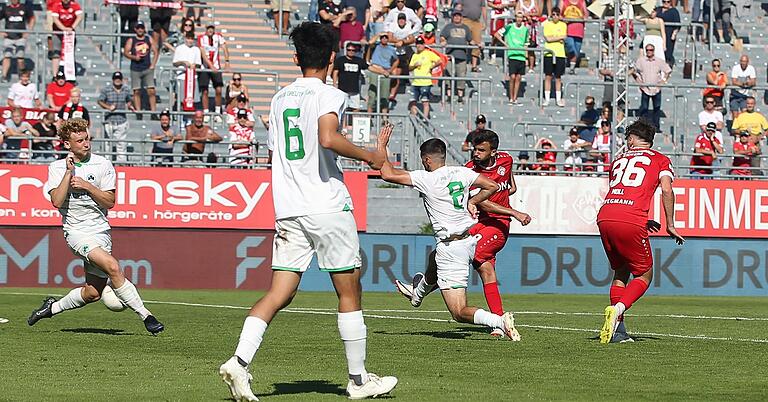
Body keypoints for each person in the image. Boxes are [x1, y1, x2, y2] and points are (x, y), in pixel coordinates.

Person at [218, 22, 396, 402]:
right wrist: (372, 156)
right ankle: (359, 380)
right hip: (326, 205)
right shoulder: (330, 93)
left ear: (296, 58)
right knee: (349, 289)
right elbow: (327, 138)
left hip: (288, 208)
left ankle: (239, 361)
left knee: (279, 291)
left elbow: (274, 153)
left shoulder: (279, 98)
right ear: (332, 58)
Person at [27, 118, 165, 335]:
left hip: (100, 231)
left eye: (87, 139)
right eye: (80, 140)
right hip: (76, 232)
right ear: (67, 144)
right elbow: (56, 201)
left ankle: (50, 308)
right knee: (112, 266)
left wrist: (88, 186)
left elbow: (109, 201)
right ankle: (146, 316)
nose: (86, 144)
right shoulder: (56, 167)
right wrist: (67, 173)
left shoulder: (103, 164)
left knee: (92, 293)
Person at [378, 132, 521, 339]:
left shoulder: (425, 178)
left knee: (459, 312)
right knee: (433, 258)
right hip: (469, 239)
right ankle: (416, 294)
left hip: (452, 248)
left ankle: (498, 321)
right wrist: (472, 202)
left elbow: (387, 173)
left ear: (427, 160)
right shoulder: (462, 172)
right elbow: (492, 185)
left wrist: (382, 145)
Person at [597, 118, 684, 344]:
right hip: (631, 219)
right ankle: (617, 310)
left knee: (620, 273)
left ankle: (619, 331)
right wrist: (670, 224)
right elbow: (666, 190)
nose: (627, 142)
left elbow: (620, 189)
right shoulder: (661, 159)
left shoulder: (617, 159)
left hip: (605, 216)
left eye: (628, 138)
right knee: (644, 275)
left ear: (633, 138)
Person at [440, 8, 477, 104]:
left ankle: (460, 96)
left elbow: (470, 40)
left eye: (458, 16)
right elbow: (442, 37)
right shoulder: (448, 27)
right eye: (455, 15)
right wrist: (443, 41)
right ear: (452, 17)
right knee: (448, 76)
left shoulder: (465, 28)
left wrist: (477, 44)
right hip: (449, 56)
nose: (457, 17)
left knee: (461, 76)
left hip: (462, 56)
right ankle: (449, 95)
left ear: (461, 17)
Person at [97, 71, 135, 162]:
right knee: (107, 144)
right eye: (115, 79)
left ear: (121, 80)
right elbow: (100, 101)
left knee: (121, 144)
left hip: (121, 120)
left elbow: (129, 100)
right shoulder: (107, 89)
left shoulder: (126, 89)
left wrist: (130, 106)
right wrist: (108, 107)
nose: (117, 80)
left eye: (119, 79)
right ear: (113, 80)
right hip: (109, 120)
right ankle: (106, 163)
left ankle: (121, 164)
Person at [632, 44, 670, 132]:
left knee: (656, 109)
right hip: (645, 88)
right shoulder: (641, 61)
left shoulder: (659, 61)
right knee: (644, 108)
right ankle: (642, 127)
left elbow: (668, 71)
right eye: (648, 50)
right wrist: (639, 82)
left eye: (651, 50)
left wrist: (663, 81)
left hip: (656, 89)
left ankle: (656, 127)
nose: (649, 51)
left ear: (654, 50)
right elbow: (633, 71)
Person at [124, 20, 159, 113]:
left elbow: (156, 51)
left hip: (147, 68)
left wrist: (153, 64)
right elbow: (126, 52)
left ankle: (153, 111)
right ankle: (138, 111)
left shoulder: (148, 39)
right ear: (135, 29)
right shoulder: (132, 40)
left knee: (151, 90)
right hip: (135, 68)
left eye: (142, 28)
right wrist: (134, 57)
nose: (140, 30)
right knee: (136, 91)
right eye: (138, 28)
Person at [494, 12, 528, 105]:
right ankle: (511, 97)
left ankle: (515, 98)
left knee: (518, 77)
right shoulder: (509, 27)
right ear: (515, 18)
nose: (519, 19)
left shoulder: (525, 29)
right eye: (518, 17)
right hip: (512, 55)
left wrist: (526, 57)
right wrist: (506, 44)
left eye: (521, 17)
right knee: (512, 76)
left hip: (521, 56)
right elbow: (497, 34)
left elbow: (526, 44)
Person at [730, 96, 768, 176]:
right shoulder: (740, 116)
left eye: (751, 103)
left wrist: (761, 137)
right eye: (748, 103)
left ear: (754, 104)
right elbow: (733, 129)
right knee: (740, 167)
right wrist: (743, 133)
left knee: (755, 168)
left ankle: (754, 184)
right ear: (745, 104)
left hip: (755, 144)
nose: (749, 105)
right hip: (742, 142)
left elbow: (766, 129)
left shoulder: (759, 116)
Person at [198, 24, 230, 116]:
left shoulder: (218, 37)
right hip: (205, 67)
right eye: (209, 28)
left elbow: (224, 47)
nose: (210, 30)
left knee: (219, 89)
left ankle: (217, 111)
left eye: (212, 28)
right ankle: (206, 111)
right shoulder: (201, 38)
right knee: (204, 90)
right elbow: (203, 53)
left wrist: (227, 62)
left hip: (216, 66)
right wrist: (210, 66)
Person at [365, 32, 398, 114]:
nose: (384, 39)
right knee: (372, 94)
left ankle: (384, 117)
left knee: (385, 96)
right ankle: (369, 116)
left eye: (386, 37)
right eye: (382, 37)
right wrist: (379, 34)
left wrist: (390, 70)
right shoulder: (376, 46)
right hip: (375, 70)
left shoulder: (391, 49)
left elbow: (396, 60)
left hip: (385, 72)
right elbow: (370, 42)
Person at [408, 36, 441, 118]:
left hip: (425, 81)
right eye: (417, 44)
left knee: (425, 101)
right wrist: (414, 66)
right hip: (415, 82)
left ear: (424, 45)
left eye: (421, 44)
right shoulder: (415, 55)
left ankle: (425, 118)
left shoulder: (428, 53)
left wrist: (432, 67)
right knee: (412, 101)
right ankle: (414, 116)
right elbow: (409, 67)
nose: (419, 46)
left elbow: (439, 60)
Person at [0, 0, 33, 81]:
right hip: (9, 37)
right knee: (7, 56)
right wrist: (1, 31)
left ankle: (22, 76)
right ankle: (4, 76)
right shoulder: (6, 8)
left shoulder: (24, 8)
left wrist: (29, 30)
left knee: (20, 58)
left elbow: (32, 18)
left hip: (20, 37)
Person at [50, 0, 83, 77]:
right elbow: (55, 19)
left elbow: (80, 16)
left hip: (70, 33)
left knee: (69, 53)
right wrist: (63, 28)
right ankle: (55, 75)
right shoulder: (56, 5)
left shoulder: (75, 5)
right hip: (58, 32)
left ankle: (69, 74)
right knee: (56, 53)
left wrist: (72, 27)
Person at [542, 8, 567, 107]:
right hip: (549, 53)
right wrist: (558, 38)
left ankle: (558, 98)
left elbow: (564, 36)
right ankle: (547, 98)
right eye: (553, 14)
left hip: (560, 53)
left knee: (558, 77)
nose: (555, 16)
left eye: (557, 14)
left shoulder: (563, 25)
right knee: (548, 76)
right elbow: (548, 39)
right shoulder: (547, 25)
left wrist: (554, 38)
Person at [333, 43, 367, 112]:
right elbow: (335, 72)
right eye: (349, 50)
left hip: (354, 89)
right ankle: (344, 122)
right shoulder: (340, 60)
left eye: (353, 50)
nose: (351, 51)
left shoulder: (359, 60)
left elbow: (369, 67)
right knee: (343, 109)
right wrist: (334, 84)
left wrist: (382, 72)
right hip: (342, 89)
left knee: (356, 108)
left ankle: (353, 122)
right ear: (346, 50)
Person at [455, 0, 484, 71]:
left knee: (477, 42)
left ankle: (474, 66)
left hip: (476, 21)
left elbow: (483, 8)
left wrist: (485, 21)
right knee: (463, 41)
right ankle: (462, 63)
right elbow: (459, 6)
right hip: (465, 19)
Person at [561, 0, 585, 74]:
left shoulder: (582, 2)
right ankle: (567, 62)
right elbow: (560, 14)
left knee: (577, 49)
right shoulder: (564, 2)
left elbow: (585, 15)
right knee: (571, 46)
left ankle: (572, 67)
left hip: (579, 30)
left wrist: (580, 18)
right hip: (568, 30)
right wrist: (565, 19)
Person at [729, 55, 756, 119]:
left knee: (744, 114)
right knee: (735, 115)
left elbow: (753, 81)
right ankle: (735, 128)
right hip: (735, 94)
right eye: (742, 61)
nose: (743, 63)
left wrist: (748, 83)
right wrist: (744, 83)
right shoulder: (736, 68)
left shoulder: (751, 68)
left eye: (745, 61)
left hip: (745, 95)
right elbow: (734, 81)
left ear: (747, 62)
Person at [657, 1, 680, 68]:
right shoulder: (658, 9)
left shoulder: (674, 11)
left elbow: (677, 24)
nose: (666, 3)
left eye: (668, 1)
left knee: (668, 51)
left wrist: (674, 33)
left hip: (669, 33)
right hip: (658, 32)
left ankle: (668, 66)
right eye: (664, 1)